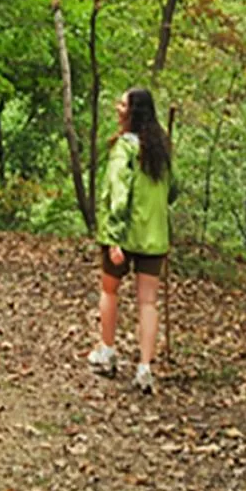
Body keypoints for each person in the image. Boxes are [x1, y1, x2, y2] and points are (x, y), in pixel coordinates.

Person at [88, 87, 175, 394]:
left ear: (132, 112)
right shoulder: (161, 149)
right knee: (147, 302)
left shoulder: (124, 148)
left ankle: (107, 351)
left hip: (124, 235)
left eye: (122, 104)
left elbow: (118, 193)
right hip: (154, 236)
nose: (117, 107)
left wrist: (113, 238)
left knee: (109, 291)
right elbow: (173, 190)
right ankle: (144, 368)